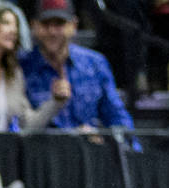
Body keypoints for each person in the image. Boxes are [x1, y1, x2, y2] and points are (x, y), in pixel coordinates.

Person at [19, 0, 135, 134]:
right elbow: (18, 124)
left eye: (59, 24)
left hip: (90, 149)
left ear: (73, 25)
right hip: (41, 151)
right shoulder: (21, 66)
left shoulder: (95, 63)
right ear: (34, 26)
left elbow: (116, 115)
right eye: (45, 24)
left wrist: (109, 138)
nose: (52, 32)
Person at [0, 4, 68, 131]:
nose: (14, 30)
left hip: (4, 149)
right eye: (6, 23)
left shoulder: (14, 74)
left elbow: (27, 125)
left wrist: (55, 102)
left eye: (15, 25)